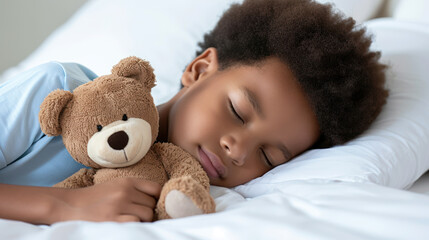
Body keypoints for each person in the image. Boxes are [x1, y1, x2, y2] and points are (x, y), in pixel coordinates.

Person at [0, 0, 388, 224]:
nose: (238, 149)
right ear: (199, 70)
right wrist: (59, 205)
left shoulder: (185, 201)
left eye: (269, 156)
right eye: (238, 111)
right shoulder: (59, 91)